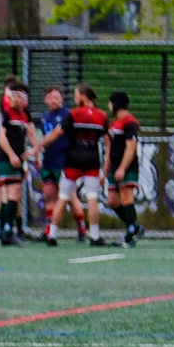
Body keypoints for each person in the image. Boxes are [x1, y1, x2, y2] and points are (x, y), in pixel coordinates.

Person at [33, 86, 85, 243]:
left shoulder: (68, 115)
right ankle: (48, 230)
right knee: (49, 195)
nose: (53, 100)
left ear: (62, 98)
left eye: (56, 97)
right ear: (45, 100)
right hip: (49, 160)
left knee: (70, 196)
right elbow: (42, 136)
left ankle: (82, 229)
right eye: (50, 97)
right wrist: (38, 156)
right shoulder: (45, 117)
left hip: (63, 161)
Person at [61, 84, 109, 247]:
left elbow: (57, 133)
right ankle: (95, 236)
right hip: (91, 160)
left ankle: (52, 233)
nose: (75, 98)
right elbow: (108, 143)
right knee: (92, 198)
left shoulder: (73, 114)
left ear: (83, 96)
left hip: (73, 159)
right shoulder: (101, 116)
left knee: (63, 197)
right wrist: (106, 168)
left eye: (76, 95)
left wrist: (39, 146)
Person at [0, 80, 31, 245]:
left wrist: (34, 152)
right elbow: (2, 137)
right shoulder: (7, 115)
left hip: (16, 160)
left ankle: (4, 231)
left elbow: (30, 136)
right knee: (13, 193)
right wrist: (12, 155)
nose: (13, 99)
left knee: (9, 196)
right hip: (7, 160)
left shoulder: (23, 116)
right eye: (12, 96)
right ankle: (7, 231)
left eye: (17, 96)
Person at [104, 91, 143, 248]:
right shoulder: (114, 123)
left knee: (127, 199)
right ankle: (136, 226)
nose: (109, 106)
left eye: (110, 102)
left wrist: (122, 168)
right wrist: (106, 170)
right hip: (114, 166)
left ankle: (130, 234)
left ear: (116, 104)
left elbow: (131, 146)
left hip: (127, 167)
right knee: (112, 202)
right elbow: (110, 148)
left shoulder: (130, 122)